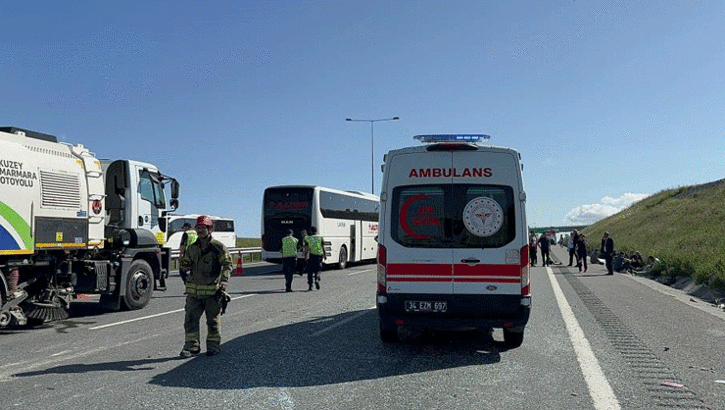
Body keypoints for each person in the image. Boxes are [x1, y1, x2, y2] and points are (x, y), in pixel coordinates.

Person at [179, 215, 233, 357]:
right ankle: (192, 346)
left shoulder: (218, 247)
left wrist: (224, 281)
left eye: (204, 228)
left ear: (210, 229)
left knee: (213, 321)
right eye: (198, 227)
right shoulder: (192, 248)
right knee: (190, 320)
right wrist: (183, 265)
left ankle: (213, 346)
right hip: (194, 293)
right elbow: (186, 263)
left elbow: (227, 265)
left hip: (212, 292)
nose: (200, 230)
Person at [303, 226, 326, 290]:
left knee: (310, 271)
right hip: (319, 255)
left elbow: (306, 248)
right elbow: (323, 247)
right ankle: (317, 278)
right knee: (318, 268)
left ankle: (310, 285)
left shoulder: (308, 238)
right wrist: (325, 255)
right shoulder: (320, 238)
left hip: (312, 255)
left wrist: (305, 256)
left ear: (311, 231)